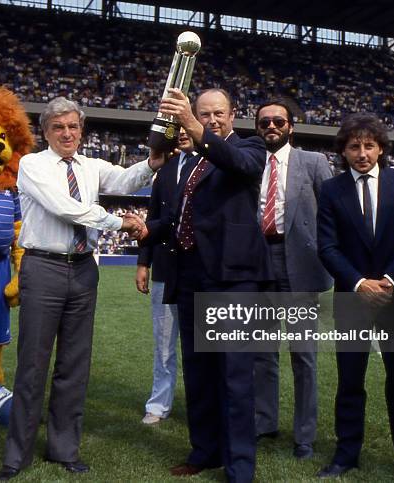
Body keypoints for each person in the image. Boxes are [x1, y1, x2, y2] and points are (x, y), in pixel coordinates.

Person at [0, 97, 161, 481]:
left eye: (73, 126)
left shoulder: (90, 166)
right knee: (33, 365)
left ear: (81, 130)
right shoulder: (32, 165)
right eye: (59, 127)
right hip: (43, 268)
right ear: (46, 132)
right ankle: (16, 455)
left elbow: (123, 179)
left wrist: (152, 163)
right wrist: (120, 223)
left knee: (74, 365)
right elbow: (66, 207)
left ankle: (64, 448)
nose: (67, 133)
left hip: (84, 270)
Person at [141, 88, 273, 483]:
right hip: (191, 275)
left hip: (232, 279)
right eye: (203, 113)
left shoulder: (249, 148)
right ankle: (205, 450)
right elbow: (179, 217)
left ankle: (239, 467)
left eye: (219, 113)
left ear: (233, 115)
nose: (212, 119)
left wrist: (196, 128)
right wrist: (146, 227)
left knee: (234, 376)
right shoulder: (191, 163)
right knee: (199, 373)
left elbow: (239, 164)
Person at [316, 113, 394, 482]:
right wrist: (359, 283)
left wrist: (386, 280)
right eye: (354, 146)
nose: (362, 152)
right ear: (344, 150)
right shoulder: (332, 189)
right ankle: (345, 455)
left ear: (381, 148)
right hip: (352, 298)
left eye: (369, 145)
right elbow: (327, 246)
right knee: (350, 382)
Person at [253, 100, 333, 458]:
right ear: (258, 128)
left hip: (299, 264)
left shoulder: (313, 162)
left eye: (278, 120)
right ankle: (264, 422)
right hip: (258, 265)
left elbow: (332, 213)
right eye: (265, 121)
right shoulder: (251, 162)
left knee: (303, 354)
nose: (271, 125)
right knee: (262, 352)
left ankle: (304, 436)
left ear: (290, 127)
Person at [136, 128, 196, 425]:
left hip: (199, 269)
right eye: (178, 130)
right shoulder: (166, 170)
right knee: (163, 343)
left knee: (201, 343)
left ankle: (201, 402)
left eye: (189, 127)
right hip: (163, 266)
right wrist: (143, 262)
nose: (183, 134)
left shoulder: (211, 164)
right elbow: (151, 219)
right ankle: (159, 403)